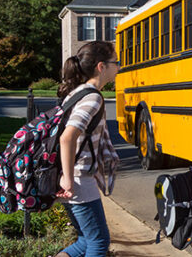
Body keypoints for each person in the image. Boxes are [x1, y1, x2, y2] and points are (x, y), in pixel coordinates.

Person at [55, 41, 121, 257]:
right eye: (115, 62)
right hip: (78, 179)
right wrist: (68, 177)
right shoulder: (92, 97)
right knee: (99, 242)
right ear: (101, 66)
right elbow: (67, 137)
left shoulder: (77, 93)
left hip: (73, 178)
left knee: (85, 240)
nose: (118, 67)